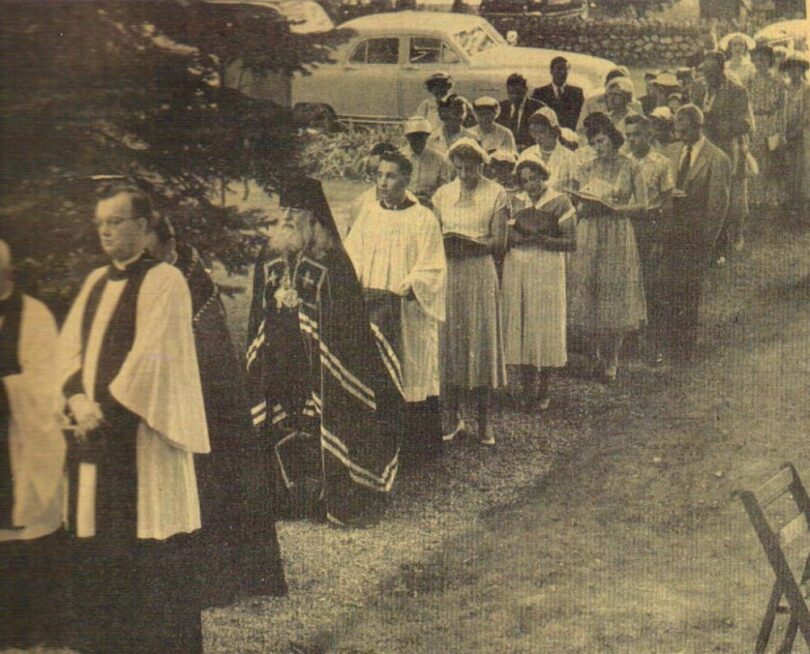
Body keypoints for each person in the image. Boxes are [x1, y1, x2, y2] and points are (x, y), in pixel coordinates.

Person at [58, 182, 210, 653]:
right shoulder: (95, 282)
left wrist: (101, 410)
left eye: (116, 222)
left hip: (143, 442)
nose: (105, 232)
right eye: (100, 223)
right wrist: (76, 402)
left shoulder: (165, 281)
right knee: (100, 554)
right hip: (94, 438)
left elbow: (152, 361)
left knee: (148, 556)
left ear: (143, 227)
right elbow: (68, 353)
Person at [144, 217, 286, 608]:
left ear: (168, 244)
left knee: (215, 486)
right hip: (175, 397)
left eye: (153, 253)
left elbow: (205, 347)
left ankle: (220, 577)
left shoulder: (193, 282)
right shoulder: (161, 276)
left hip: (209, 402)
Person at [248, 178, 404, 525]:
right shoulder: (270, 256)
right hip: (280, 360)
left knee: (321, 418)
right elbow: (258, 315)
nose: (287, 218)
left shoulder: (334, 262)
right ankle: (284, 496)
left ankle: (328, 495)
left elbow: (347, 325)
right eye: (284, 211)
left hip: (321, 364)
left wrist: (307, 317)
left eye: (296, 212)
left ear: (313, 218)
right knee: (281, 418)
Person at [344, 154, 447, 465]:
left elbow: (433, 266)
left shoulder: (423, 219)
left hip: (406, 310)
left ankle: (417, 450)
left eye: (390, 176)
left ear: (407, 180)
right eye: (379, 175)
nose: (383, 182)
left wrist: (410, 286)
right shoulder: (369, 215)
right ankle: (381, 446)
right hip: (374, 310)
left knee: (412, 369)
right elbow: (352, 258)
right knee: (379, 369)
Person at [0, 240, 67, 650]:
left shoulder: (35, 316)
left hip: (19, 443)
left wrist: (6, 390)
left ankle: (27, 637)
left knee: (23, 550)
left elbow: (47, 386)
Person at [432, 139, 508, 445]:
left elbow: (500, 243)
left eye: (470, 168)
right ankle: (452, 417)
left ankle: (484, 421)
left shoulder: (496, 193)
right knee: (449, 341)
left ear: (481, 165)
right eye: (459, 168)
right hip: (449, 273)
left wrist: (472, 244)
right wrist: (446, 243)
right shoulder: (443, 194)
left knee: (480, 341)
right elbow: (432, 236)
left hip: (479, 273)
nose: (464, 174)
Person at [568, 114, 648, 383]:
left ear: (613, 139)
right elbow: (578, 204)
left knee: (614, 292)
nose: (597, 147)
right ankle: (597, 355)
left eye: (601, 141)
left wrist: (617, 208)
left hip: (617, 231)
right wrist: (581, 204)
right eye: (593, 143)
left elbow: (643, 205)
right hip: (590, 231)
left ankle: (612, 358)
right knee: (590, 290)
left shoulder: (631, 166)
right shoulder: (586, 167)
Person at [502, 156, 576, 410]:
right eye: (524, 180)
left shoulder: (559, 201)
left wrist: (543, 238)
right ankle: (526, 388)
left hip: (546, 267)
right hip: (519, 266)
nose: (530, 185)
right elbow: (507, 234)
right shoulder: (516, 200)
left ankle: (544, 390)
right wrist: (515, 238)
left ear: (544, 176)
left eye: (534, 179)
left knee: (544, 325)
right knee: (523, 324)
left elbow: (571, 242)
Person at [664, 105, 731, 361]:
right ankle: (668, 342)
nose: (679, 132)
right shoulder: (671, 152)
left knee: (689, 291)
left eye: (684, 128)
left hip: (695, 236)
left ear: (698, 127)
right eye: (676, 127)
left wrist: (706, 243)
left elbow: (717, 207)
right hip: (670, 232)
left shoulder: (717, 159)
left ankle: (685, 348)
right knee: (667, 289)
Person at [624, 114, 674, 366]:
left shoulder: (661, 163)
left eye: (637, 135)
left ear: (648, 136)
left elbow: (667, 204)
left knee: (652, 289)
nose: (632, 140)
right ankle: (629, 342)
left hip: (651, 226)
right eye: (628, 135)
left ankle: (655, 346)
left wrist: (660, 240)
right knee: (628, 284)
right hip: (627, 227)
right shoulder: (623, 162)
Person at [693, 50, 752, 255]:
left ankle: (722, 243)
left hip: (725, 148)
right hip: (702, 146)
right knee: (700, 191)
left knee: (722, 195)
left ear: (722, 69)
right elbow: (692, 111)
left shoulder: (736, 90)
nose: (707, 77)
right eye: (704, 72)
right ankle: (702, 240)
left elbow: (745, 123)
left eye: (711, 72)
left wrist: (722, 125)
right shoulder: (699, 87)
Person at [746, 43, 786, 215]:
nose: (759, 62)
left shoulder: (778, 80)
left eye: (763, 59)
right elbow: (746, 106)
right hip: (755, 121)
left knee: (771, 159)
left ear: (769, 60)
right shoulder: (750, 80)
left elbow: (782, 108)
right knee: (755, 158)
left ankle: (771, 197)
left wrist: (781, 131)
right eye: (756, 59)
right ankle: (755, 196)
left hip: (771, 121)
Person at [347, 142, 404, 234]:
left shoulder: (413, 203)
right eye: (376, 172)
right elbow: (350, 245)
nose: (382, 180)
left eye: (389, 174)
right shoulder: (361, 205)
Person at [519, 106, 579, 193]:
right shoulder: (526, 154)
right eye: (533, 133)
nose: (537, 138)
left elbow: (575, 190)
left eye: (541, 132)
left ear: (554, 131)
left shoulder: (570, 157)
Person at [782, 52, 810, 222]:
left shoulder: (807, 89)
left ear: (802, 70)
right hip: (785, 131)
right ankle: (790, 204)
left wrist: (795, 132)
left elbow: (807, 114)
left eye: (797, 68)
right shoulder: (784, 87)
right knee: (788, 168)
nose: (794, 72)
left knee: (802, 169)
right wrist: (783, 131)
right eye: (791, 68)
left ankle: (802, 205)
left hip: (803, 134)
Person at [403, 116, 452, 205]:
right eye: (412, 136)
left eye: (420, 136)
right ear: (407, 137)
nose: (416, 140)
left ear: (426, 136)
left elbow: (445, 188)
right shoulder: (400, 157)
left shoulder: (439, 159)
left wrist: (431, 200)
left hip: (430, 204)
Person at [577, 67, 643, 133]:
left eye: (617, 93)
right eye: (611, 85)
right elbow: (580, 129)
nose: (612, 97)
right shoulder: (591, 102)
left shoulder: (635, 106)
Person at [532, 56, 585, 130]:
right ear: (551, 71)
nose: (562, 72)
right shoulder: (540, 93)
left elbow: (581, 117)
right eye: (559, 68)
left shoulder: (577, 93)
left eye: (565, 69)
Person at [497, 73, 546, 151]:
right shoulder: (500, 108)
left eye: (518, 93)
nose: (515, 97)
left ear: (526, 90)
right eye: (511, 93)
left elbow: (544, 135)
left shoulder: (539, 108)